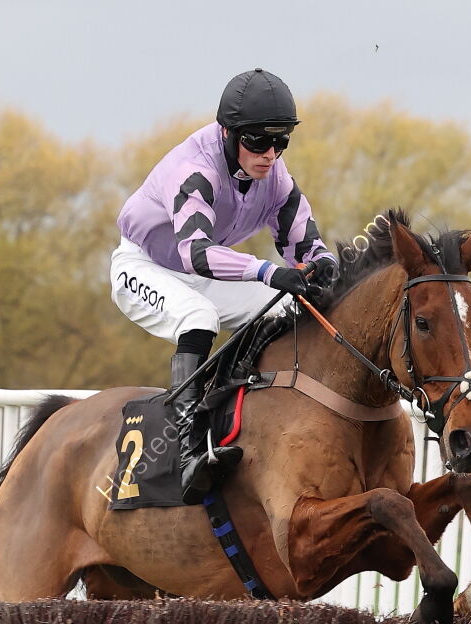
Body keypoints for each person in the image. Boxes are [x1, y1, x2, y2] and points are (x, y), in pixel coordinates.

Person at [111, 68, 339, 504]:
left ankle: (241, 410)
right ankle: (187, 446)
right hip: (144, 265)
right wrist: (268, 271)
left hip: (199, 272)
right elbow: (196, 252)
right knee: (200, 317)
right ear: (227, 133)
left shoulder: (275, 176)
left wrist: (324, 266)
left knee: (285, 307)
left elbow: (306, 245)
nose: (270, 154)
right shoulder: (195, 169)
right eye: (258, 142)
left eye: (281, 141)